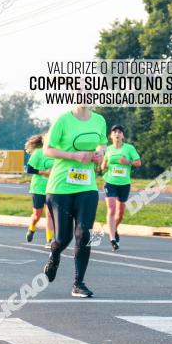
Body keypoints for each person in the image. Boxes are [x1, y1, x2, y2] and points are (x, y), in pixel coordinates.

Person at [42, 105, 108, 298]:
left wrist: (100, 153)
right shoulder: (63, 120)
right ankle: (54, 254)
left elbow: (102, 143)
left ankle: (78, 283)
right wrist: (73, 155)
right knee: (63, 238)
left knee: (84, 234)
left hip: (87, 186)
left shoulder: (99, 120)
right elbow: (47, 150)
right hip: (60, 186)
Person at [101, 124, 141, 251]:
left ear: (123, 136)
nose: (117, 134)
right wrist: (103, 166)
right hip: (110, 182)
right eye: (114, 132)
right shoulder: (108, 149)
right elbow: (103, 165)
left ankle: (114, 229)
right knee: (111, 209)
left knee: (120, 213)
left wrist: (127, 162)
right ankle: (112, 239)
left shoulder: (129, 148)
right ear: (111, 135)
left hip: (124, 184)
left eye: (119, 132)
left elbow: (138, 163)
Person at [24, 133, 55, 246]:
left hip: (52, 188)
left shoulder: (56, 153)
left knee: (50, 215)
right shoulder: (38, 152)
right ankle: (31, 229)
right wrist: (44, 172)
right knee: (37, 215)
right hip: (38, 188)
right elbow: (29, 169)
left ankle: (49, 240)